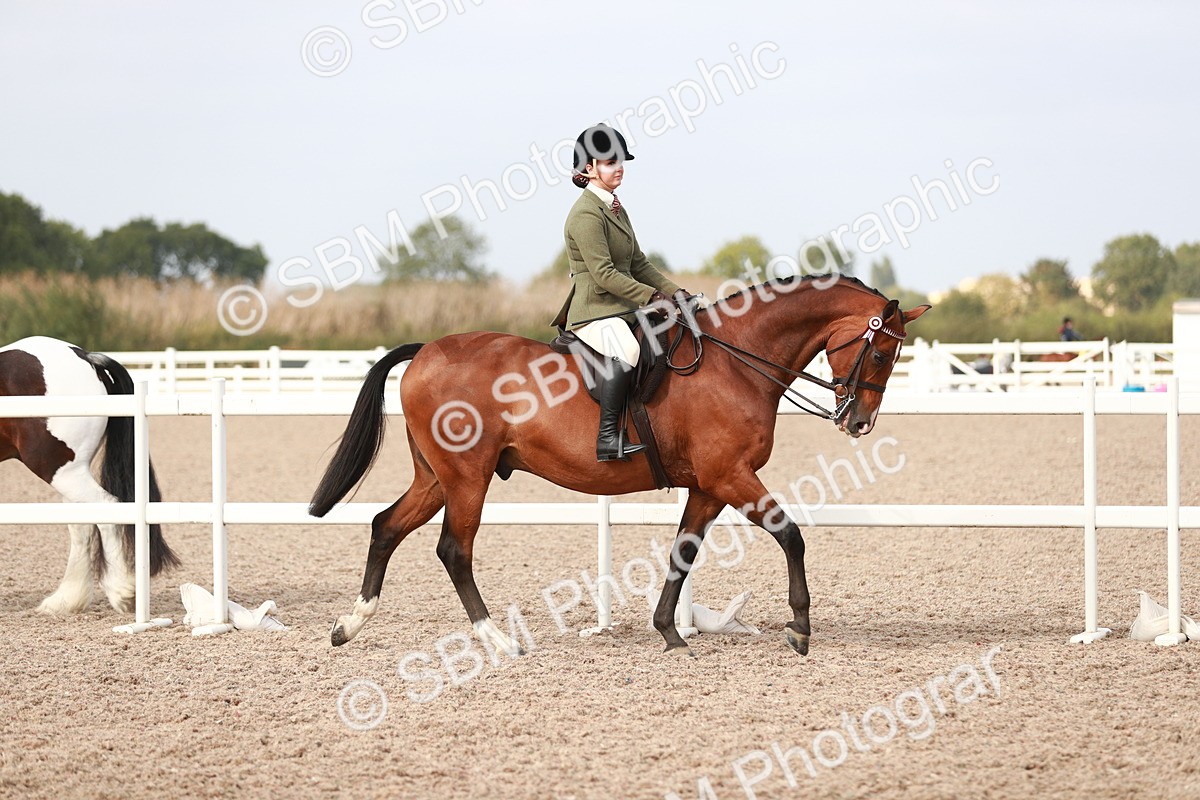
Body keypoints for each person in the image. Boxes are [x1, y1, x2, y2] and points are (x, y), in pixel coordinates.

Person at [550, 122, 697, 462]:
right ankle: (607, 438)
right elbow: (604, 275)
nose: (618, 168)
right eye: (609, 162)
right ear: (589, 168)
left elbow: (639, 263)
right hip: (595, 310)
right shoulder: (585, 213)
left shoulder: (615, 207)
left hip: (620, 308)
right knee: (628, 350)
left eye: (620, 161)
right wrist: (651, 298)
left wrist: (676, 293)